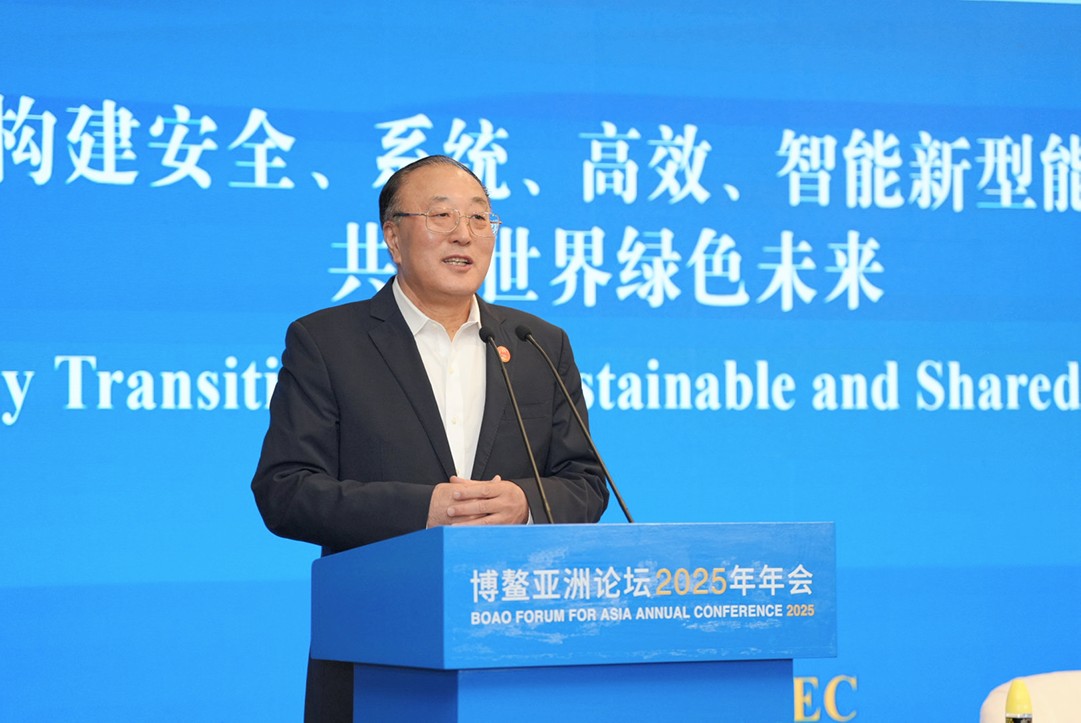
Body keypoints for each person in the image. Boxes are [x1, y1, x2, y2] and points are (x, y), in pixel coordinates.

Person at [250, 155, 609, 721]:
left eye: (480, 217)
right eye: (442, 216)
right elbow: (285, 490)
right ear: (393, 237)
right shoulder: (327, 342)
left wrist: (526, 504)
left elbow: (586, 483)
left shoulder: (537, 343)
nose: (465, 234)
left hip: (518, 648)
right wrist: (426, 509)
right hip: (376, 651)